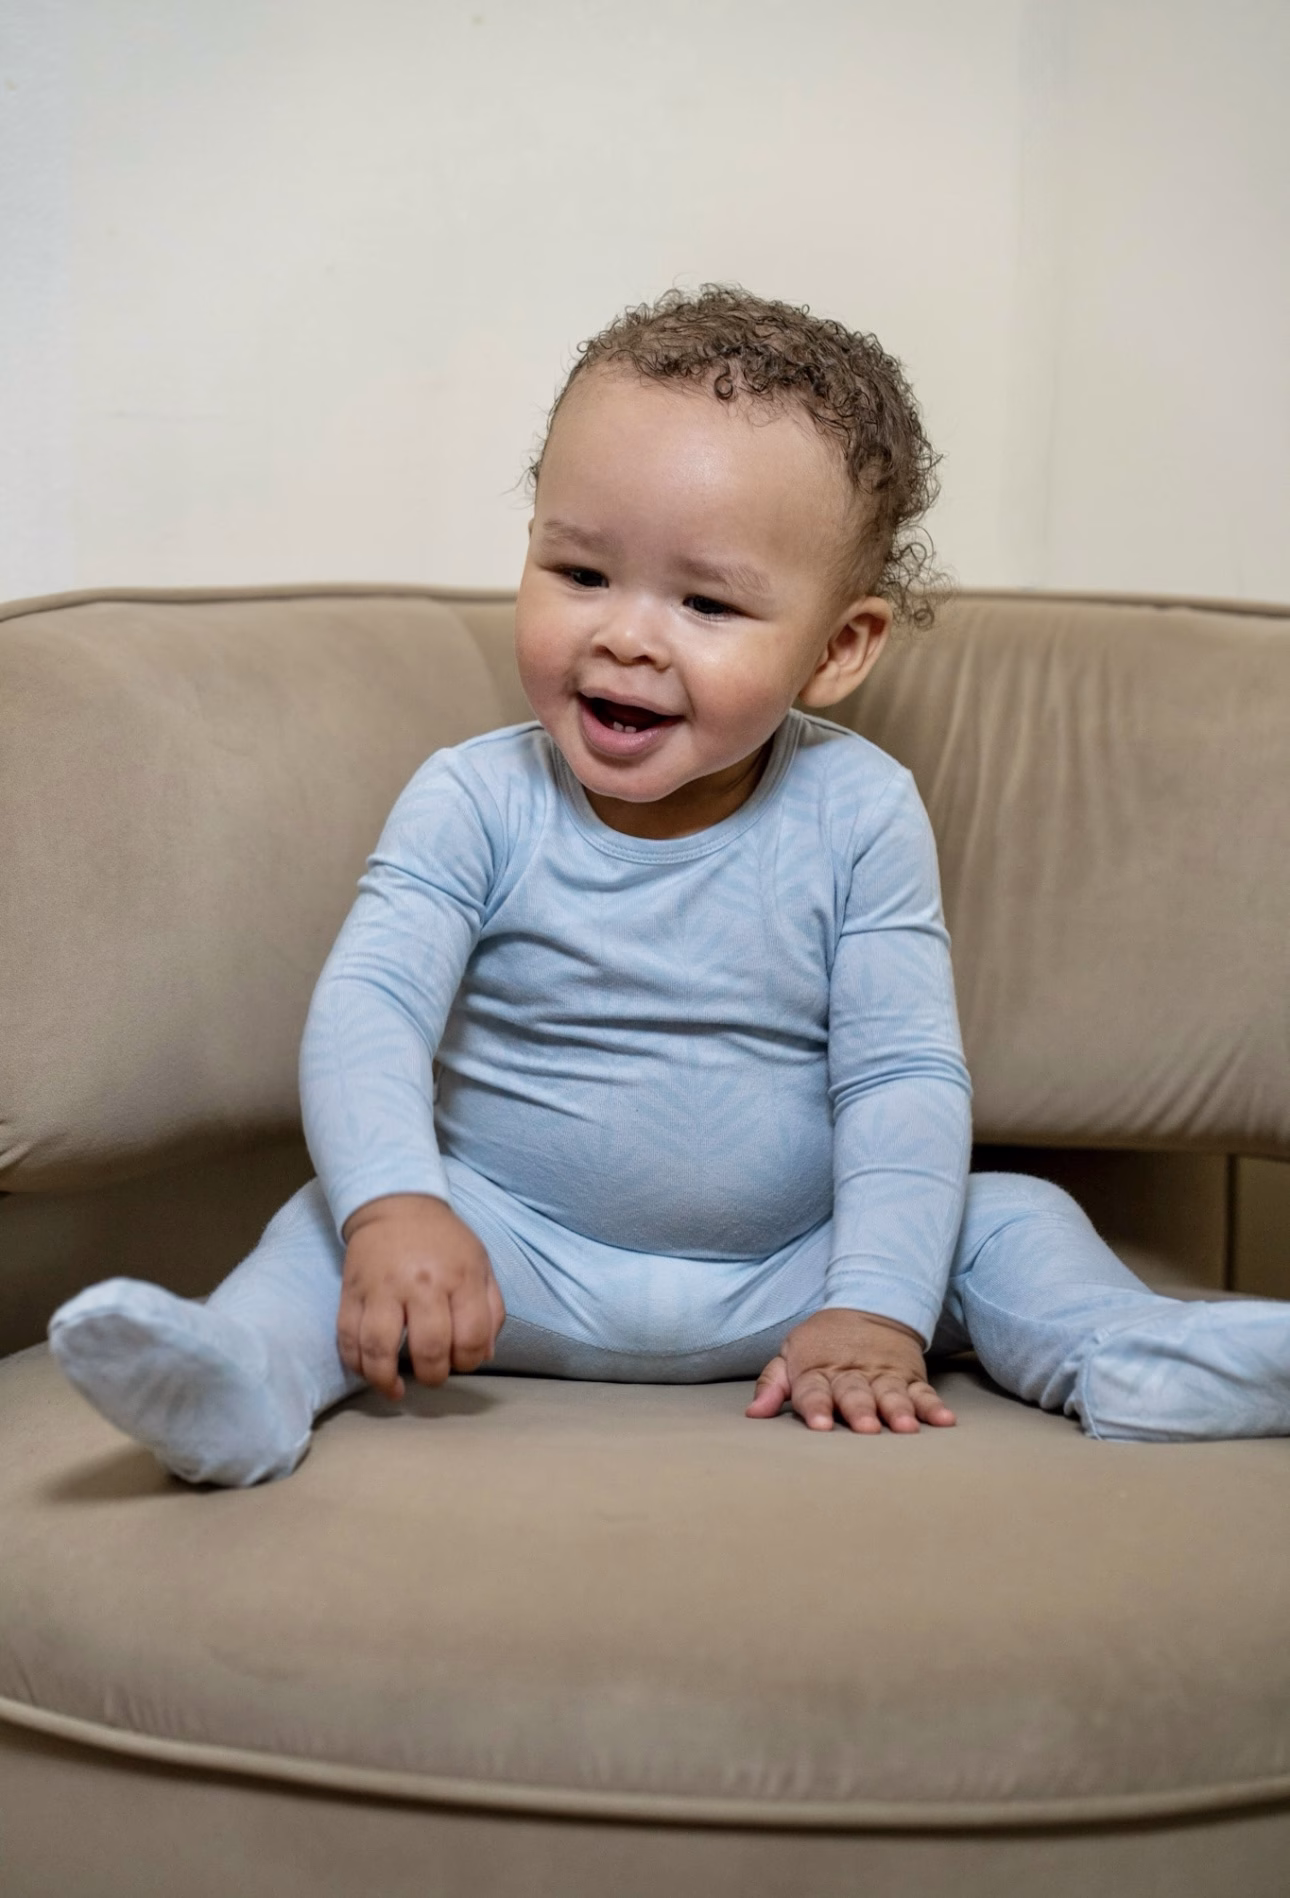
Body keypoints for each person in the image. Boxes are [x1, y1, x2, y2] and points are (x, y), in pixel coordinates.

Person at [47, 285, 1290, 1486]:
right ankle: (246, 1381)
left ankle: (1130, 1355)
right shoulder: (473, 796)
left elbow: (900, 1074)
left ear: (837, 648)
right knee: (324, 1218)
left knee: (1013, 1218)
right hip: (494, 1259)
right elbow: (371, 1008)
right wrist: (397, 1211)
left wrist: (873, 1303)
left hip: (802, 1277)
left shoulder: (860, 810)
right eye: (582, 573)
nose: (627, 635)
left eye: (706, 600)